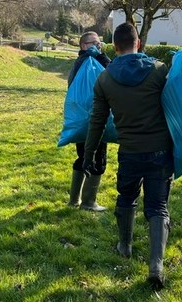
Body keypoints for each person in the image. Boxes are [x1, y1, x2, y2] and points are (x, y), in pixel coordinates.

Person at [82, 22, 173, 290]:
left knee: (126, 197)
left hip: (129, 151)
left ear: (114, 47)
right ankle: (156, 265)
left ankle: (125, 246)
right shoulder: (159, 71)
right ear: (139, 43)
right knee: (158, 207)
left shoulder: (105, 79)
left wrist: (88, 155)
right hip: (160, 150)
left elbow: (96, 121)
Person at [67, 31, 111, 211]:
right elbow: (111, 70)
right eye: (94, 43)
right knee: (97, 158)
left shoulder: (78, 63)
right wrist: (101, 56)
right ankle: (88, 202)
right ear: (83, 46)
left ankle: (74, 200)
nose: (98, 46)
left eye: (100, 44)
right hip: (94, 120)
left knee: (82, 156)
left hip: (79, 121)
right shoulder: (90, 62)